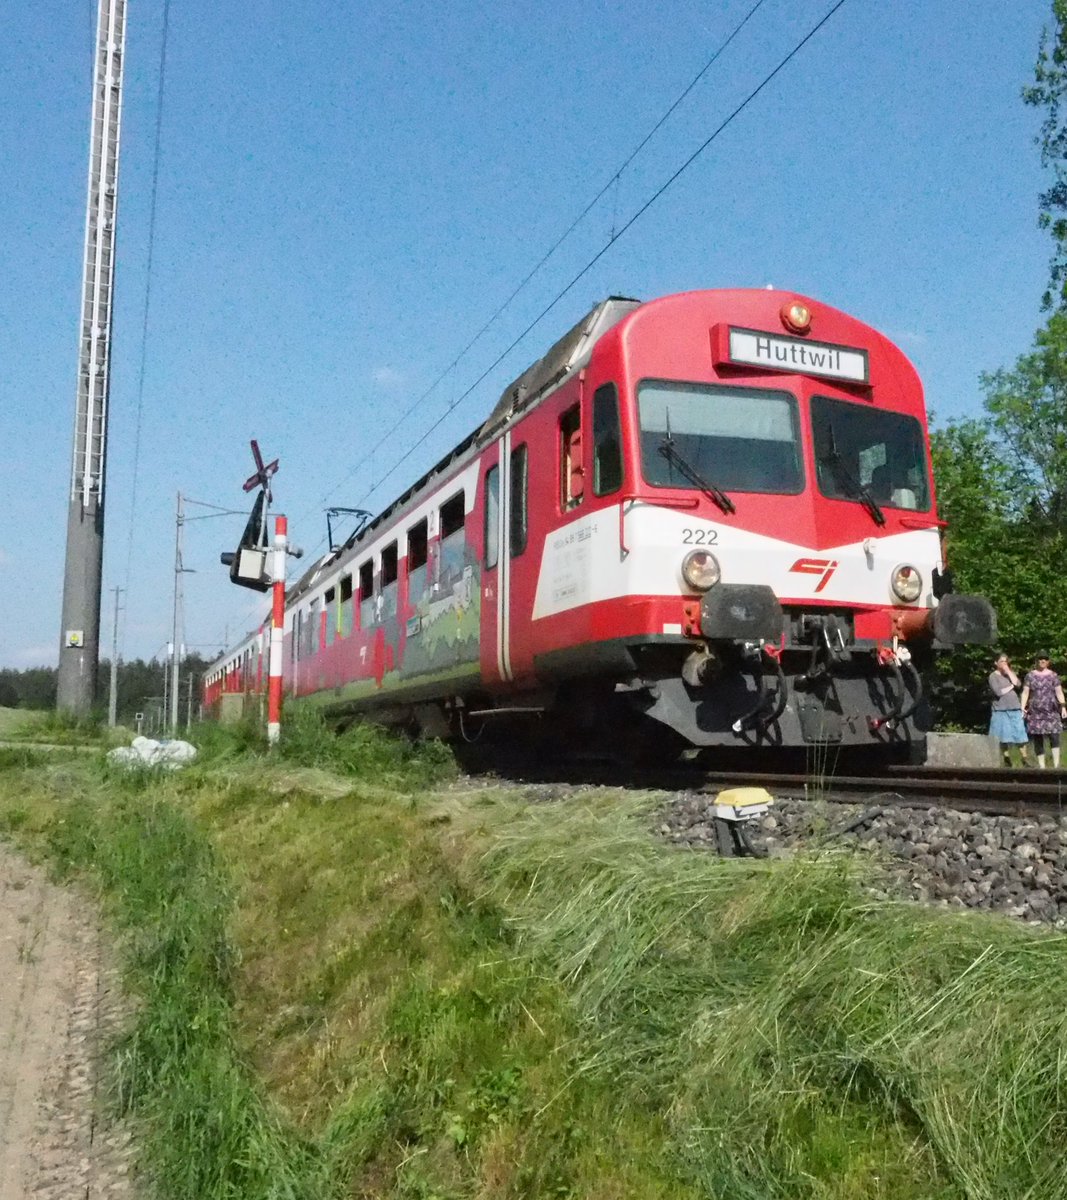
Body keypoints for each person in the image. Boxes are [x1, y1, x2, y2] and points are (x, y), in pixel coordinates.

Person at [1021, 653, 1067, 768]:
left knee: (1054, 735)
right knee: (1038, 737)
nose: (1042, 661)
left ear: (1048, 661)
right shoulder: (1030, 676)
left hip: (1051, 711)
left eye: (1045, 659)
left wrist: (1063, 706)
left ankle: (1056, 765)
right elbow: (1026, 692)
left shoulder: (1053, 676)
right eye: (1040, 659)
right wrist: (1022, 707)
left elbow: (1059, 692)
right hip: (1035, 711)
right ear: (1036, 660)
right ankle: (1042, 766)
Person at [988, 654, 1031, 766]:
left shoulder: (1009, 675)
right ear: (996, 663)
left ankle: (1025, 759)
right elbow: (999, 692)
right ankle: (1006, 759)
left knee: (1020, 734)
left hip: (1014, 708)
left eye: (1006, 661)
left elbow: (1018, 684)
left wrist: (1009, 672)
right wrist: (1011, 686)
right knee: (1002, 736)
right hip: (1000, 709)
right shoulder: (993, 676)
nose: (1004, 663)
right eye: (1001, 661)